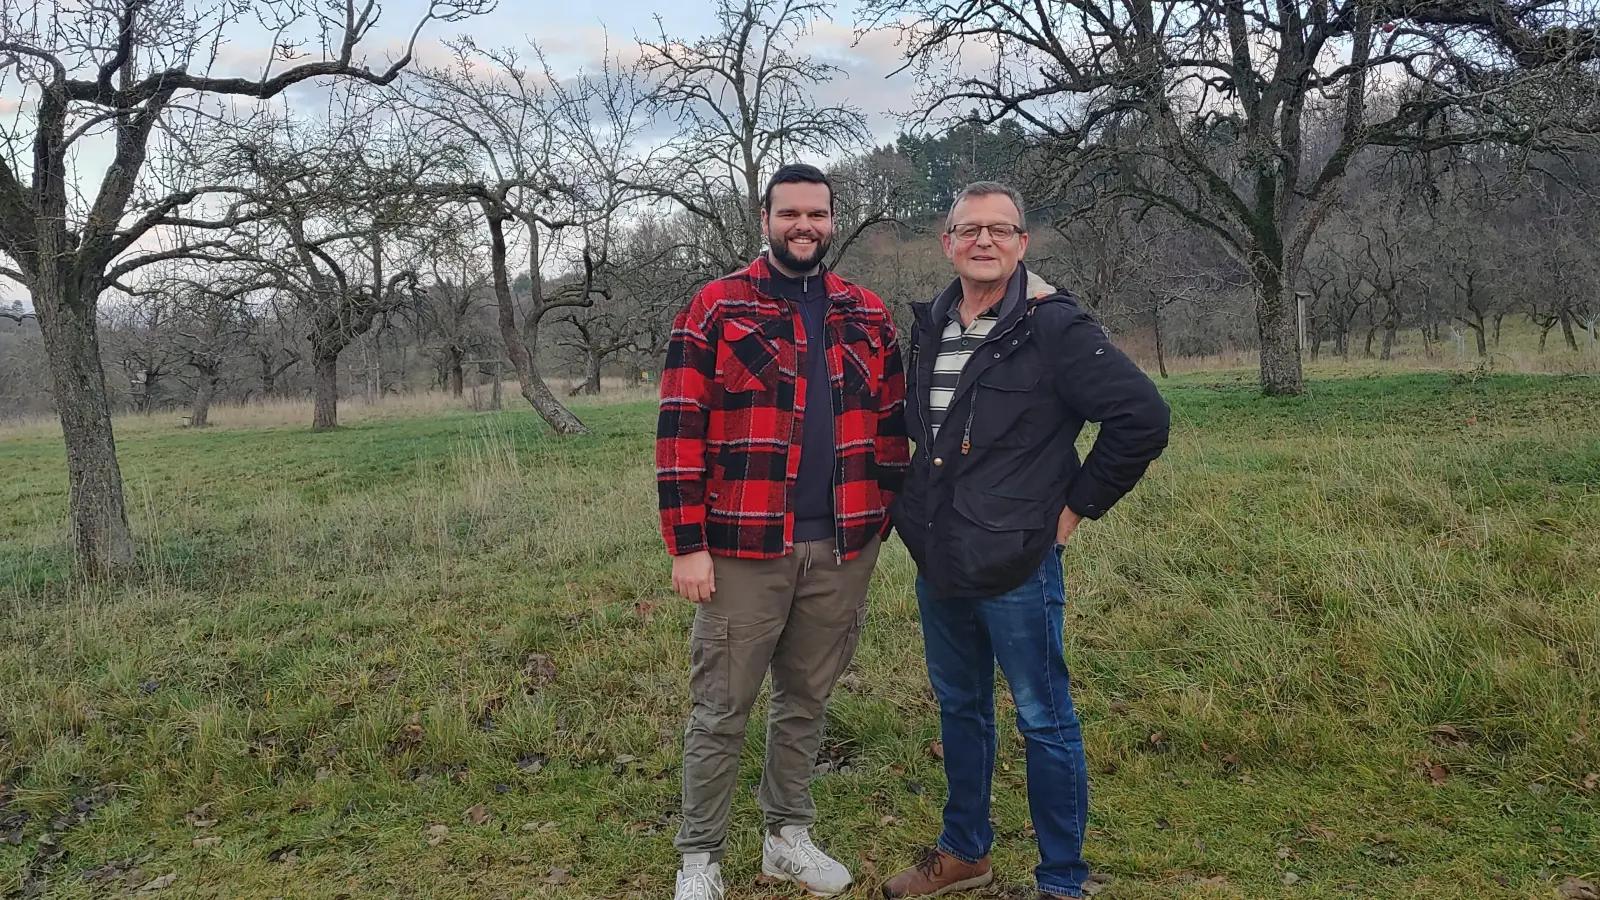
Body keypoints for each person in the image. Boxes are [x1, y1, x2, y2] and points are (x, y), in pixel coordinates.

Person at [882, 182, 1171, 900]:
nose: (985, 241)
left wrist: (1074, 511)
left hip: (1017, 561)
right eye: (970, 229)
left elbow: (1142, 417)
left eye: (1001, 230)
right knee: (959, 707)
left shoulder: (1054, 327)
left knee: (1043, 718)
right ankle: (965, 854)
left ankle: (1062, 882)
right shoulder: (933, 325)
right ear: (947, 242)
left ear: (1022, 244)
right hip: (941, 556)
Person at [656, 163, 910, 900]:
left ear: (834, 220)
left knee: (806, 698)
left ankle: (787, 837)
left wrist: (878, 521)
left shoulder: (865, 313)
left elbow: (892, 427)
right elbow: (679, 433)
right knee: (721, 708)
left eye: (818, 214)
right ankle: (699, 859)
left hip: (841, 545)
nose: (805, 225)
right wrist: (687, 544)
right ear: (765, 217)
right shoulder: (716, 307)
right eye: (790, 213)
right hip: (740, 547)